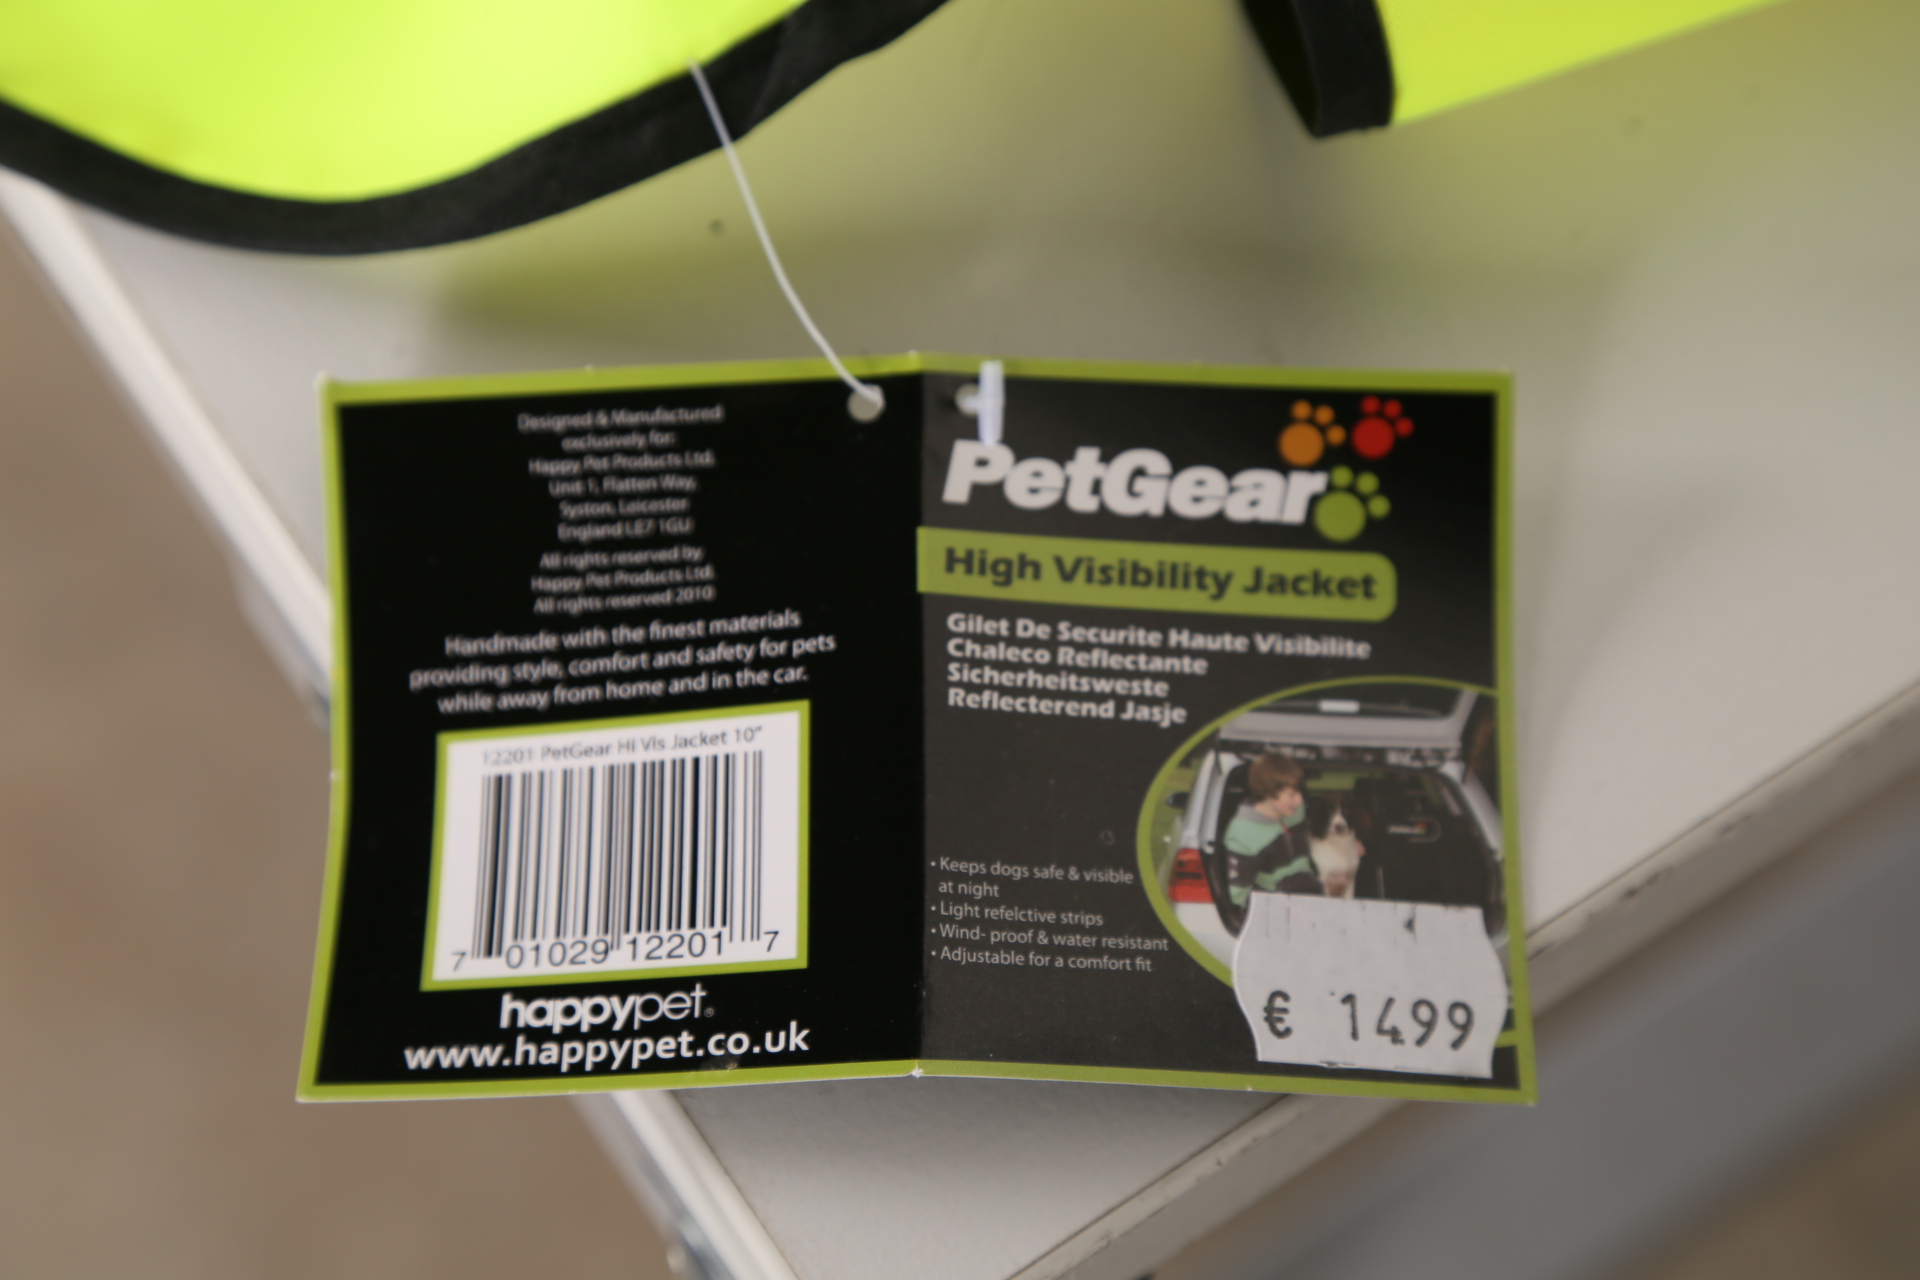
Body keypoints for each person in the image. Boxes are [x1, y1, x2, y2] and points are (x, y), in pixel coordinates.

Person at [1223, 753, 1321, 906]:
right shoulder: (1242, 834)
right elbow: (1238, 895)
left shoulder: (1295, 812)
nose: (1300, 800)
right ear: (1267, 793)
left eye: (1299, 792)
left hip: (1311, 893)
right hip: (1278, 905)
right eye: (1292, 795)